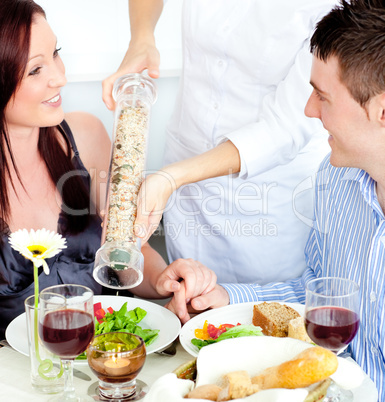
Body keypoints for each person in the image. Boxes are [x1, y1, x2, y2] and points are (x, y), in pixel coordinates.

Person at [168, 0, 385, 397]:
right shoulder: (335, 182)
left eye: (322, 97)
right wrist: (225, 298)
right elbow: (312, 290)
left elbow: (281, 129)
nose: (308, 110)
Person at [0, 0, 215, 339]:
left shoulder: (84, 137)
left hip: (110, 358)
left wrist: (163, 279)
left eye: (56, 53)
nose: (60, 77)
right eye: (35, 70)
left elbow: (124, 248)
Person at [103, 0, 337, 285]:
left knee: (262, 316)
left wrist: (171, 178)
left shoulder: (330, 6)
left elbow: (284, 129)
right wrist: (142, 36)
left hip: (268, 194)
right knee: (186, 296)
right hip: (185, 175)